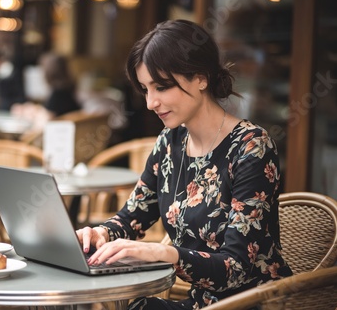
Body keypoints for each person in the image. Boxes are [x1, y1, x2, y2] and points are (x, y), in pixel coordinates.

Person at [76, 19, 293, 309]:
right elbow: (133, 217)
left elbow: (236, 268)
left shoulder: (251, 146)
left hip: (253, 303)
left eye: (162, 87)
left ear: (201, 78)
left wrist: (162, 253)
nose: (151, 102)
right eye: (145, 89)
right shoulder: (170, 141)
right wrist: (100, 233)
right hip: (200, 302)